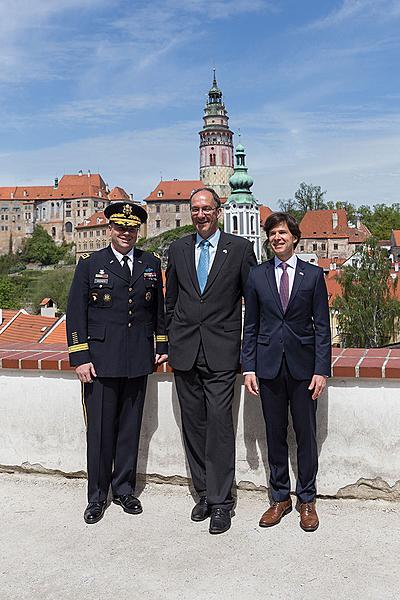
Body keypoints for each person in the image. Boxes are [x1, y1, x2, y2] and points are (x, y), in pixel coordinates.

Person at [66, 201, 168, 524]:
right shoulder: (90, 264)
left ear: (139, 231)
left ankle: (124, 488)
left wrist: (161, 344)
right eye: (121, 227)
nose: (126, 233)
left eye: (132, 228)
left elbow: (158, 311)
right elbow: (75, 312)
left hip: (138, 359)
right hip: (99, 362)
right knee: (99, 431)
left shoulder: (150, 263)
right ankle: (96, 496)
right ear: (110, 229)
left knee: (129, 428)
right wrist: (80, 357)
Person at [166, 187, 257, 535]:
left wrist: (247, 352)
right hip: (185, 351)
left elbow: (253, 304)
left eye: (207, 209)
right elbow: (170, 300)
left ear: (218, 211)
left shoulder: (240, 249)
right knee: (194, 426)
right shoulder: (178, 249)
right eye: (195, 209)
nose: (201, 214)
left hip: (222, 352)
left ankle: (222, 502)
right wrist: (171, 339)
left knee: (219, 426)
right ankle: (202, 493)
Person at [242, 212, 331, 532]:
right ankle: (279, 498)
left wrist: (322, 370)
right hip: (267, 368)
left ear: (294, 237)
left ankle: (307, 499)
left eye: (282, 232)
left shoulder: (312, 275)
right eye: (272, 234)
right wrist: (248, 366)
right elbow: (249, 326)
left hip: (304, 370)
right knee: (275, 434)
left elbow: (322, 327)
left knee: (306, 435)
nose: (277, 238)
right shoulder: (257, 276)